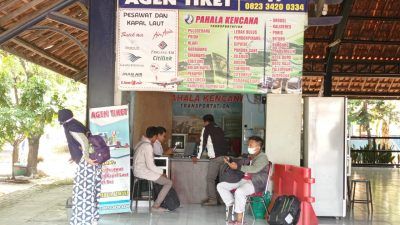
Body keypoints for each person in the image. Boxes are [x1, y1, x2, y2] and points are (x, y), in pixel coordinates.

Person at [58, 109, 101, 225]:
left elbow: (84, 142)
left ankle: (84, 221)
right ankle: (92, 219)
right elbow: (78, 142)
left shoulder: (70, 126)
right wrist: (75, 156)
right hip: (89, 161)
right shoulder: (76, 123)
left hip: (87, 163)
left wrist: (85, 157)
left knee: (82, 193)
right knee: (90, 192)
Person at [217, 136, 269, 225]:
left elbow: (254, 169)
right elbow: (239, 160)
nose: (248, 146)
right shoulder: (250, 156)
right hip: (243, 180)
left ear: (258, 147)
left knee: (239, 192)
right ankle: (233, 202)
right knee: (221, 186)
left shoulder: (263, 157)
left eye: (251, 145)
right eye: (248, 144)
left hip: (255, 183)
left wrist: (238, 167)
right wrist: (230, 159)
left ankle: (239, 221)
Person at [133, 126, 173, 212]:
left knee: (162, 180)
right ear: (155, 136)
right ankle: (155, 206)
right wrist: (162, 172)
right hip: (143, 172)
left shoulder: (139, 143)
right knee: (168, 182)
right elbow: (151, 166)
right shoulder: (148, 146)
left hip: (137, 171)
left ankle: (157, 204)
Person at [192, 114, 228, 206]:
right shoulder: (219, 128)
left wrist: (197, 156)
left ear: (205, 121)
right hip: (224, 157)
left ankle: (213, 200)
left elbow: (202, 143)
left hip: (215, 158)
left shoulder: (207, 128)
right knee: (221, 180)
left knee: (210, 179)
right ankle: (222, 200)